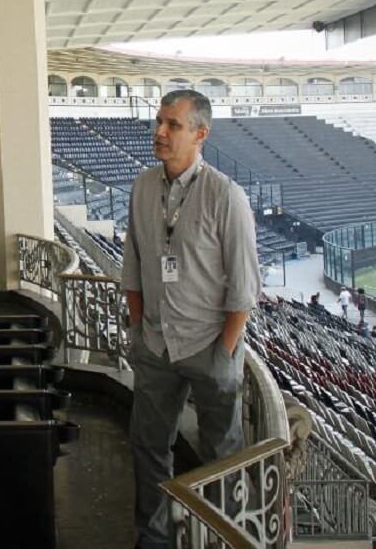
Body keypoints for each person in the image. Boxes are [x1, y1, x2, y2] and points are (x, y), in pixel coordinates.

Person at [121, 90, 261, 549]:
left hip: (208, 346)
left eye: (172, 125)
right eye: (159, 122)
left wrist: (224, 352)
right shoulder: (143, 186)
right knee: (148, 447)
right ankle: (154, 536)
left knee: (222, 455)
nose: (159, 132)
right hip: (157, 346)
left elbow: (243, 288)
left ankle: (223, 537)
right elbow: (134, 266)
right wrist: (140, 330)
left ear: (201, 134)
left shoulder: (226, 195)